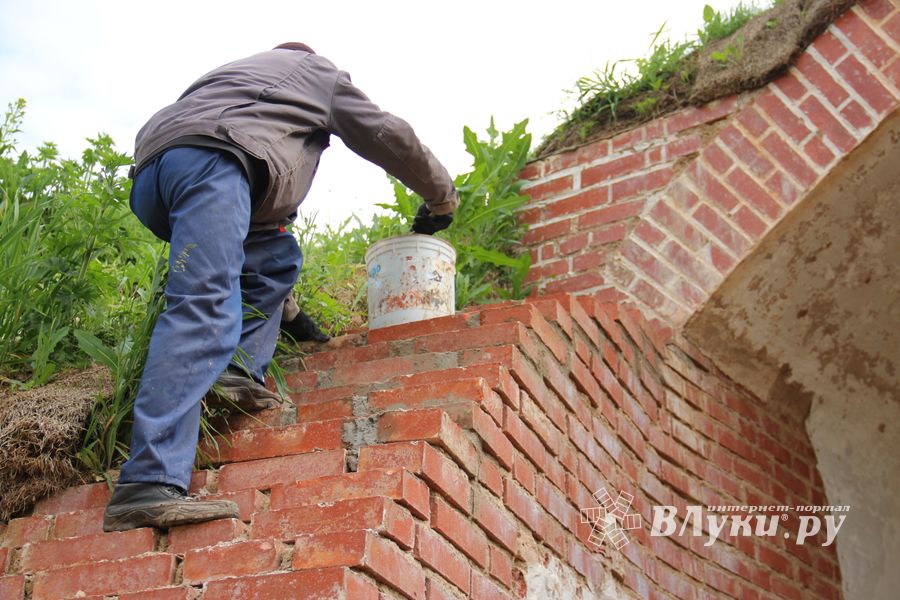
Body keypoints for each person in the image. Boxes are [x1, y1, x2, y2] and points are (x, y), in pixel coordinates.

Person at [103, 42, 457, 532]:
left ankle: (236, 373)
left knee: (274, 257)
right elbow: (387, 134)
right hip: (213, 161)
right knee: (201, 306)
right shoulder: (316, 72)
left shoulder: (244, 85)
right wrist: (441, 198)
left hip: (158, 176)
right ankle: (146, 483)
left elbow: (250, 258)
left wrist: (293, 318)